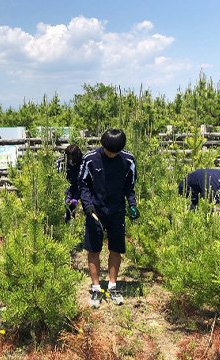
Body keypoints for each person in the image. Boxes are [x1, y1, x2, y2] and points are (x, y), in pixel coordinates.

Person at [78, 129, 139, 308]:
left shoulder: (128, 160)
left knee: (116, 249)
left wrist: (133, 205)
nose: (111, 155)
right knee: (94, 249)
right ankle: (96, 287)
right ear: (103, 145)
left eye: (115, 152)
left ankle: (112, 285)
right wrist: (88, 206)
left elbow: (130, 186)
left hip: (117, 209)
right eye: (108, 151)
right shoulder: (90, 159)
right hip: (95, 210)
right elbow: (83, 184)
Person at [56, 144, 83, 223]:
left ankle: (78, 221)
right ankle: (68, 219)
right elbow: (59, 179)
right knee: (68, 203)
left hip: (80, 184)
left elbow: (85, 180)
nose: (71, 161)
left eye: (73, 159)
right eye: (69, 159)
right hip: (67, 184)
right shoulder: (61, 162)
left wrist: (77, 196)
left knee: (76, 203)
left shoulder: (83, 161)